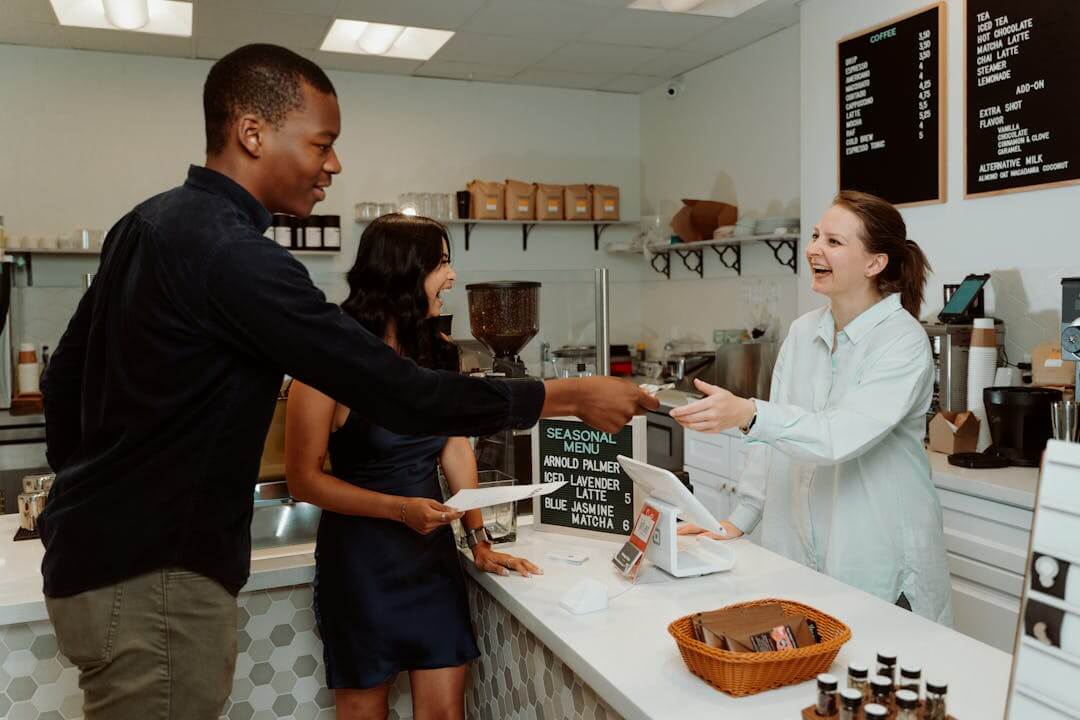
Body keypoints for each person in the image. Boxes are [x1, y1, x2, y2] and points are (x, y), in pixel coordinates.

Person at [38, 44, 657, 720]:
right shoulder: (237, 257)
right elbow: (401, 393)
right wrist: (565, 395)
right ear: (253, 132)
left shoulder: (147, 222)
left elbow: (64, 377)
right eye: (322, 144)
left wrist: (92, 497)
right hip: (154, 579)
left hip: (97, 563)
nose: (333, 165)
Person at [286, 213, 539, 720]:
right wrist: (399, 509)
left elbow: (455, 447)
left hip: (430, 565)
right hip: (360, 567)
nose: (452, 276)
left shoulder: (439, 353)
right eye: (442, 263)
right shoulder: (329, 361)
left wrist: (478, 539)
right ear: (403, 271)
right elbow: (304, 479)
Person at [671, 190, 952, 624]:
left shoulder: (903, 341)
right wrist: (736, 521)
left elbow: (838, 435)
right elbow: (772, 445)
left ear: (875, 263)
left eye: (834, 242)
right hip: (804, 562)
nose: (814, 249)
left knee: (876, 682)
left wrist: (749, 414)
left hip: (880, 561)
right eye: (817, 236)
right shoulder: (804, 333)